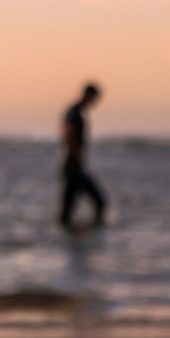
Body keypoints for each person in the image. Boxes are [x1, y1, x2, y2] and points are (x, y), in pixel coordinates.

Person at [59, 82, 107, 229]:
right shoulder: (74, 112)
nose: (95, 102)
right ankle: (89, 233)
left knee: (68, 208)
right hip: (73, 166)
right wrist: (77, 154)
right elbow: (69, 133)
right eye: (95, 98)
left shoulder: (77, 112)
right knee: (99, 201)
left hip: (73, 165)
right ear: (88, 95)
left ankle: (69, 236)